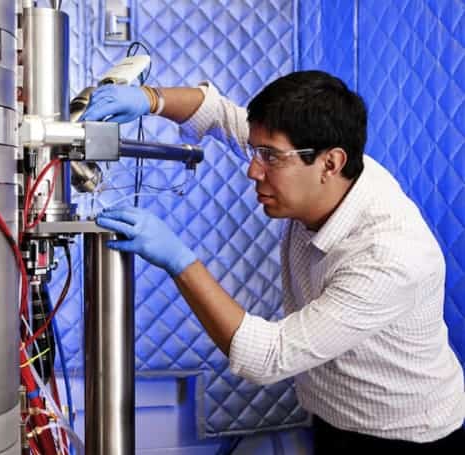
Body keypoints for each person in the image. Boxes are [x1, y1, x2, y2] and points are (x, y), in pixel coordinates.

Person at [84, 71, 465, 453]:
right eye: (256, 151)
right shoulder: (322, 161)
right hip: (335, 413)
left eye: (269, 157)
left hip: (406, 434)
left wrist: (179, 260)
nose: (253, 169)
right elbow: (215, 112)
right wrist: (149, 99)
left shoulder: (390, 256)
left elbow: (266, 358)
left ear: (330, 164)